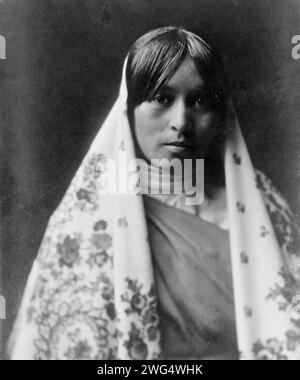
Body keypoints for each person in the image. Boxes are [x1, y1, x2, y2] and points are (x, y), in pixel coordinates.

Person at [8, 26, 300, 360]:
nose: (181, 121)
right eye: (162, 98)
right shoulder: (88, 222)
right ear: (129, 110)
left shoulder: (259, 202)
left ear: (221, 113)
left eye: (200, 101)